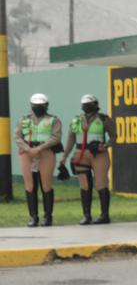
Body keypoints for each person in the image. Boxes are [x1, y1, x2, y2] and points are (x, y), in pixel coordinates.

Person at [61, 94, 114, 224]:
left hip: (98, 154)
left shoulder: (104, 119)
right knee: (84, 184)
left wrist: (105, 145)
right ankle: (86, 215)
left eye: (89, 104)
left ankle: (104, 215)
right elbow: (70, 139)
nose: (86, 106)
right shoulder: (76, 120)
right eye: (84, 104)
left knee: (100, 183)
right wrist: (65, 156)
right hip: (80, 154)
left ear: (96, 105)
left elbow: (113, 136)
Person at [16, 93, 62, 227]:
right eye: (35, 106)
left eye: (40, 106)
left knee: (46, 185)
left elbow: (56, 137)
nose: (38, 108)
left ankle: (48, 217)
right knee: (30, 186)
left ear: (46, 106)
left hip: (46, 152)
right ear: (31, 106)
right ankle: (33, 217)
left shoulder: (54, 120)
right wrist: (28, 148)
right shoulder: (24, 120)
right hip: (27, 153)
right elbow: (17, 136)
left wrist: (40, 148)